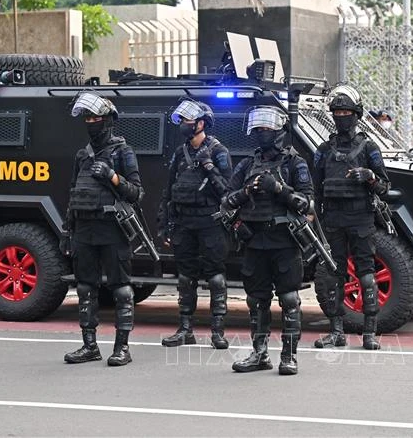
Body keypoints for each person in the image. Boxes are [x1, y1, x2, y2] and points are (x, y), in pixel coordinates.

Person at [224, 105, 313, 375]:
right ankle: (260, 354)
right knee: (256, 300)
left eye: (267, 129)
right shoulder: (246, 164)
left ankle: (289, 355)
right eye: (259, 129)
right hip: (254, 241)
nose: (263, 133)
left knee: (288, 299)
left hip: (284, 242)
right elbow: (226, 200)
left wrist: (278, 189)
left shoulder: (294, 164)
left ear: (279, 131)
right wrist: (246, 191)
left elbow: (307, 204)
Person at [62, 91, 144, 367]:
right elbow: (73, 194)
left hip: (112, 229)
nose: (90, 122)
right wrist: (67, 231)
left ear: (107, 120)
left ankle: (122, 348)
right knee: (85, 288)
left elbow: (136, 194)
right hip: (84, 228)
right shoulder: (81, 155)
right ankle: (89, 346)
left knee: (121, 289)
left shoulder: (123, 152)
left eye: (95, 117)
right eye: (87, 117)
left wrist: (112, 176)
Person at [312, 85, 391, 350]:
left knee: (366, 275)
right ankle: (336, 331)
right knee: (335, 275)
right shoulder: (323, 150)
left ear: (356, 115)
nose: (342, 116)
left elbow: (384, 186)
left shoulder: (369, 147)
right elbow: (316, 187)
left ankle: (369, 332)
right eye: (337, 112)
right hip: (332, 219)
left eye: (346, 112)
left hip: (360, 218)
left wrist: (369, 177)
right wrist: (317, 218)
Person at [158, 99, 233, 350]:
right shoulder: (180, 153)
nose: (183, 125)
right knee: (185, 277)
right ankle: (185, 329)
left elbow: (228, 191)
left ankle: (218, 331)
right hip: (184, 222)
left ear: (201, 124)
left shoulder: (218, 151)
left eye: (188, 121)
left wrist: (209, 167)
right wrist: (165, 223)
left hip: (211, 222)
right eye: (182, 121)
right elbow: (168, 190)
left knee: (215, 277)